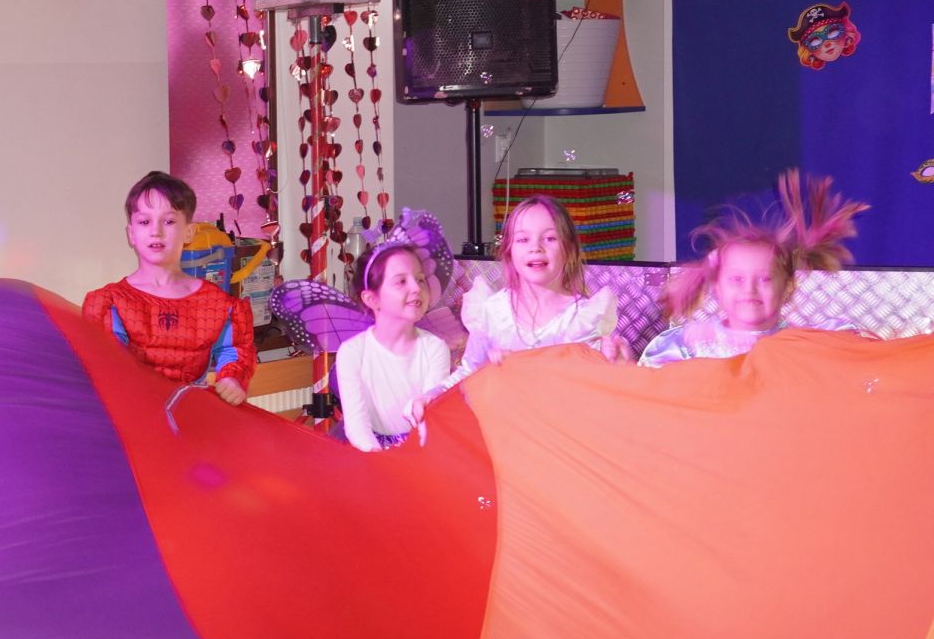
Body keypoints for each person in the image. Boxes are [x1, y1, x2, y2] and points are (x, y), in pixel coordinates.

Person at [641, 171, 867, 367]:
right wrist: (624, 367)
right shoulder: (689, 345)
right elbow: (653, 390)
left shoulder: (804, 343)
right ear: (717, 287)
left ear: (787, 287)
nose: (749, 289)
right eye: (736, 279)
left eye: (765, 279)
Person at [82, 171, 255, 406]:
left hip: (191, 415)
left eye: (169, 221)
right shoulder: (110, 303)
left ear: (189, 232)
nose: (156, 231)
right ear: (131, 234)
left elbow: (234, 351)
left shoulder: (218, 304)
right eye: (145, 222)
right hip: (131, 414)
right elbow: (108, 363)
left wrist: (232, 379)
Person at [446, 196, 630, 386]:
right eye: (523, 239)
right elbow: (468, 372)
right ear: (509, 250)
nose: (535, 248)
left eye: (550, 238)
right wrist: (432, 396)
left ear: (569, 249)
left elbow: (588, 386)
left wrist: (616, 367)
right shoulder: (493, 311)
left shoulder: (583, 319)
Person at [335, 240, 453, 451]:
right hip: (371, 455)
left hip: (420, 451)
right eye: (401, 281)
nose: (416, 288)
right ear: (372, 299)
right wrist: (380, 459)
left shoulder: (434, 348)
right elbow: (357, 425)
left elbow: (430, 417)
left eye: (420, 279)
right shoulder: (352, 353)